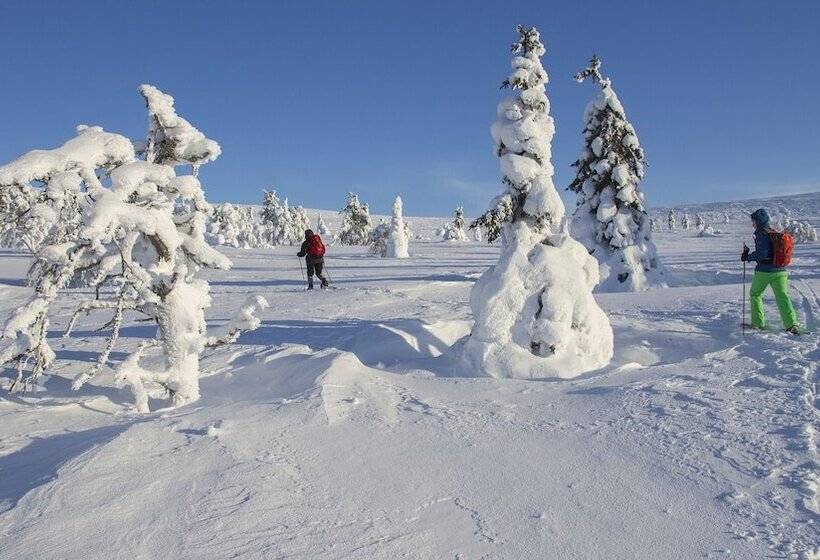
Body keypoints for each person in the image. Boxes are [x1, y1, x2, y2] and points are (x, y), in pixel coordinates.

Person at [741, 208, 799, 334]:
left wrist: (748, 257)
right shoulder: (773, 231)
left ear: (759, 221)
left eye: (754, 221)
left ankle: (757, 323)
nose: (753, 224)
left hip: (765, 271)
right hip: (781, 271)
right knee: (783, 297)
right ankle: (792, 325)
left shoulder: (761, 233)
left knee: (755, 294)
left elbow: (762, 253)